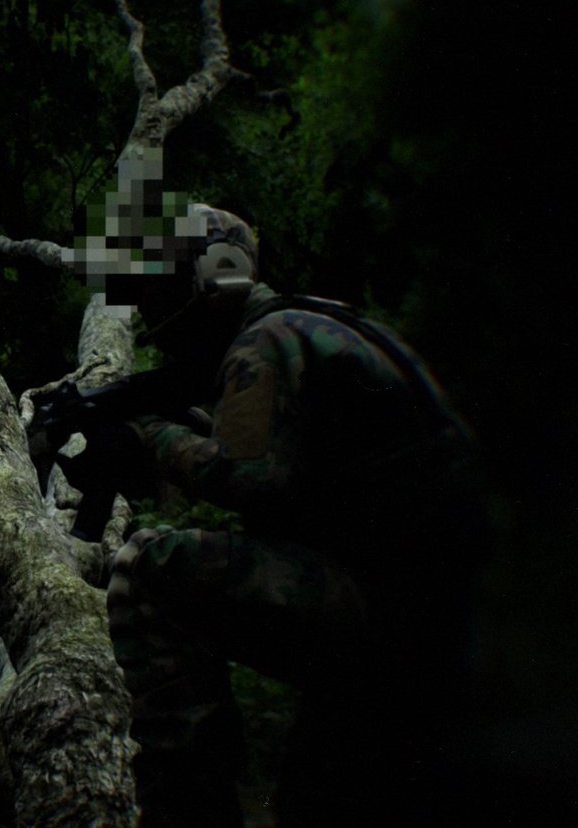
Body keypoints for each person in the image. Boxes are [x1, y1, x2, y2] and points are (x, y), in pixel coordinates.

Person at [71, 203, 480, 825]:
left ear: (209, 276)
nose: (158, 315)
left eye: (163, 289)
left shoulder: (264, 341)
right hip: (436, 613)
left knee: (152, 567)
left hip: (385, 605)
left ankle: (184, 803)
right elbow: (297, 468)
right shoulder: (322, 324)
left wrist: (148, 436)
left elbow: (250, 476)